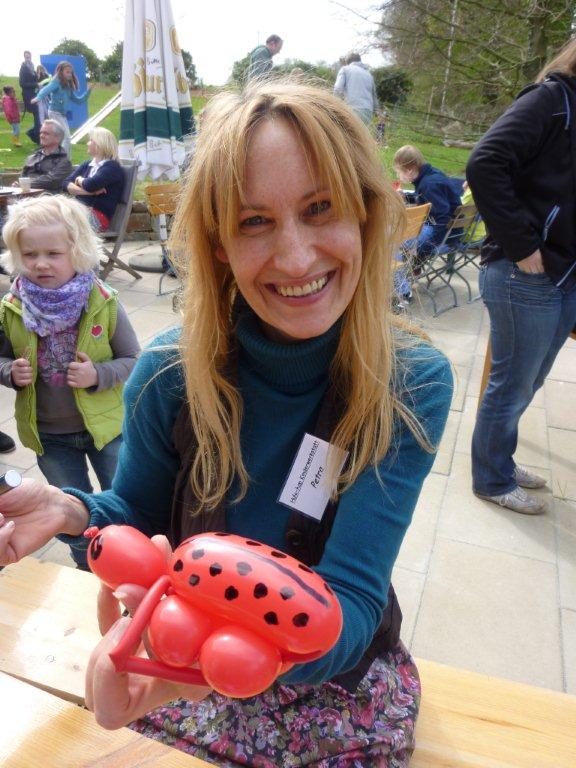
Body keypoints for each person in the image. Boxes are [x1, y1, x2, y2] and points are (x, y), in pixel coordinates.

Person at [0, 81, 452, 765]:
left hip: (329, 678)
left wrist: (223, 660)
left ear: (366, 212)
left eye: (320, 209)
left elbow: (354, 601)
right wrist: (71, 510)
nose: (296, 258)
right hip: (188, 666)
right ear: (217, 245)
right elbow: (133, 511)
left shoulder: (409, 381)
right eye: (254, 222)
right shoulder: (168, 372)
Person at [0, 195, 140, 568]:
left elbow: (132, 359)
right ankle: (87, 568)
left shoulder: (103, 301)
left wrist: (98, 374)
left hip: (106, 428)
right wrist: (9, 373)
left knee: (121, 499)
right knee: (68, 509)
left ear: (76, 251)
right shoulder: (12, 305)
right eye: (30, 255)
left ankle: (128, 561)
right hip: (49, 434)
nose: (41, 263)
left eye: (53, 253)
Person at [467, 38, 576, 515]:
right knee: (511, 383)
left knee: (529, 382)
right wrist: (522, 243)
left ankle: (501, 461)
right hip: (524, 273)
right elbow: (484, 162)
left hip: (564, 274)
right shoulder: (551, 101)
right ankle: (491, 478)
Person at [393, 145, 462, 268]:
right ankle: (410, 271)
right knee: (404, 237)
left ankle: (400, 279)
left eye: (399, 172)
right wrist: (406, 197)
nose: (398, 176)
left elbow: (442, 219)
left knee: (394, 242)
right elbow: (427, 199)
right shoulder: (431, 175)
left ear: (409, 170)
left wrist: (422, 251)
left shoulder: (429, 184)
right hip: (452, 231)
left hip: (445, 237)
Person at [63, 127, 124, 231]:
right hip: (80, 212)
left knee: (58, 223)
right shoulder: (87, 164)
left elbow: (91, 184)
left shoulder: (112, 167)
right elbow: (65, 184)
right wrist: (90, 193)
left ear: (100, 144)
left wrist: (79, 180)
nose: (87, 143)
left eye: (91, 140)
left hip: (97, 218)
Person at [31, 61, 91, 158]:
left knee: (64, 138)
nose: (69, 74)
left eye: (71, 72)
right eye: (67, 72)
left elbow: (78, 101)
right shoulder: (57, 82)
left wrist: (88, 92)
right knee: (66, 137)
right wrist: (38, 97)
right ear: (61, 72)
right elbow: (46, 89)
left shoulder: (68, 86)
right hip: (54, 113)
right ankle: (63, 160)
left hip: (62, 115)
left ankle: (64, 159)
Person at [17, 119, 73, 192]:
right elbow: (22, 178)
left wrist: (26, 184)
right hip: (26, 197)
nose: (41, 136)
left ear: (58, 138)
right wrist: (19, 185)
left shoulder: (64, 162)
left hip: (49, 199)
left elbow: (51, 181)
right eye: (41, 133)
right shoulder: (32, 157)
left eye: (46, 133)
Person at [334, 53, 379, 125]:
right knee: (361, 135)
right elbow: (374, 95)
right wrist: (376, 110)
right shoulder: (368, 74)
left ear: (347, 62)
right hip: (368, 112)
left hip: (353, 109)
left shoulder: (345, 69)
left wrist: (334, 106)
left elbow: (338, 88)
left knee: (345, 134)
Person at [18, 51, 40, 144]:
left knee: (39, 116)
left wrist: (37, 78)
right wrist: (36, 84)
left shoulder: (32, 68)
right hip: (29, 96)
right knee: (38, 115)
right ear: (24, 57)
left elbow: (34, 81)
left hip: (35, 94)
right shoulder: (23, 68)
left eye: (29, 57)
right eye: (26, 57)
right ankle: (36, 137)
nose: (28, 59)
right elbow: (22, 84)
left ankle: (32, 134)